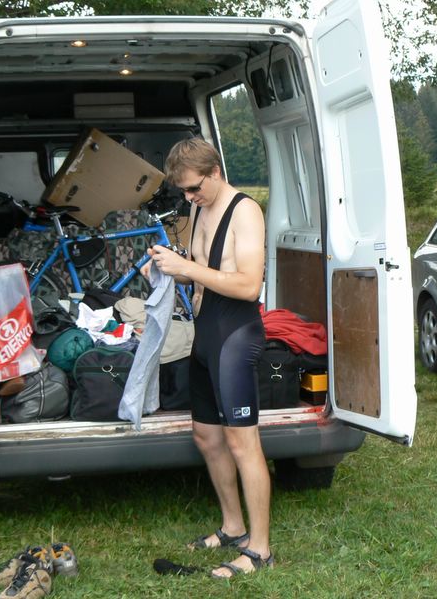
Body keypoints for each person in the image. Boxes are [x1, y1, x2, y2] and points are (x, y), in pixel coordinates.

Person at [146, 137, 272, 578]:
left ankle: (260, 549)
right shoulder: (200, 207)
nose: (188, 198)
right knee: (206, 436)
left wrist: (187, 269)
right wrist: (167, 266)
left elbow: (249, 285)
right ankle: (233, 526)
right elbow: (199, 270)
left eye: (194, 188)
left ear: (215, 172)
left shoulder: (245, 211)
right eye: (183, 191)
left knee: (243, 444)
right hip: (205, 335)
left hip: (234, 336)